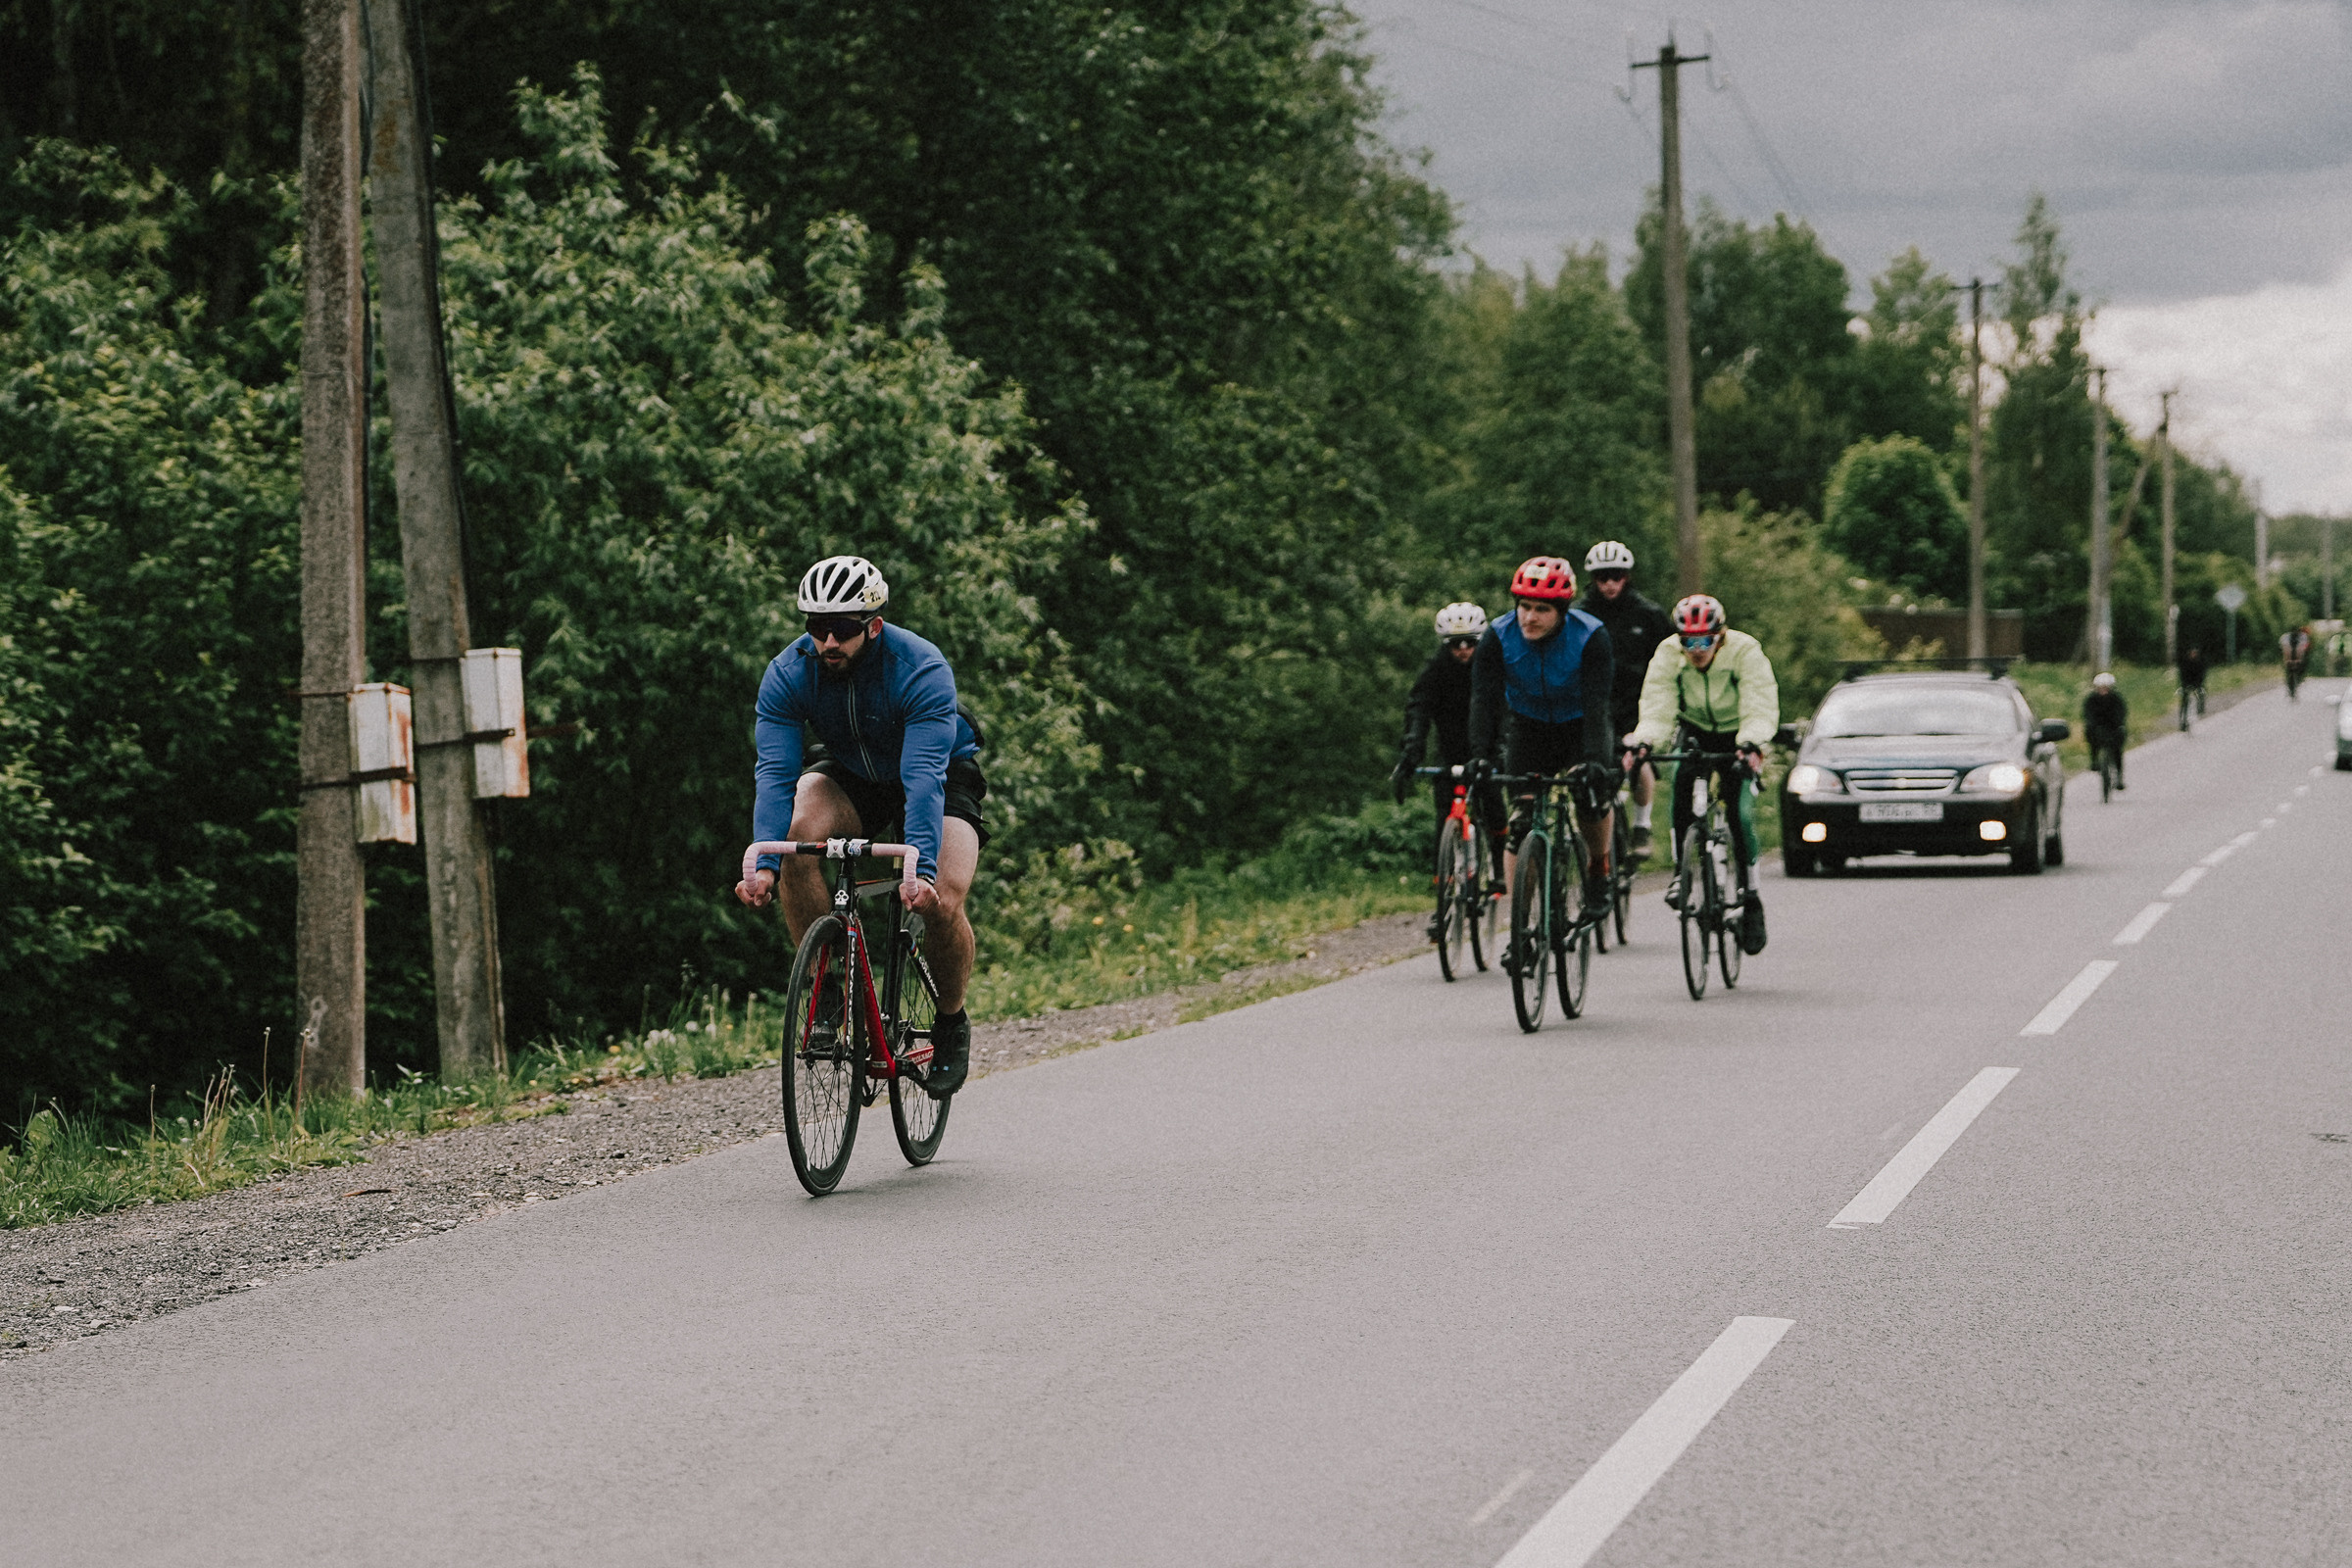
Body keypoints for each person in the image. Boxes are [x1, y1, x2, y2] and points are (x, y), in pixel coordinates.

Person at [735, 556, 986, 1097]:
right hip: (856, 773)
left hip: (938, 773)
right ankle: (828, 986)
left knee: (943, 897)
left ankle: (951, 1020)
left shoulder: (919, 667)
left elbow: (922, 779)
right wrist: (765, 864)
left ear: (873, 626)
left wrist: (919, 870)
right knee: (798, 836)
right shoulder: (788, 673)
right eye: (817, 627)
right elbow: (775, 774)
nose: (829, 642)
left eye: (844, 629)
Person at [1465, 557, 1619, 974]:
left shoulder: (1590, 636)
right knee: (1520, 826)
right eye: (1524, 606)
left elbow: (1597, 705)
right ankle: (1520, 930)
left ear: (1562, 611)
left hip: (1579, 727)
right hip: (1529, 729)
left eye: (1542, 609)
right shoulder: (1497, 636)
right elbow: (1484, 700)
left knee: (1590, 797)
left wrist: (1593, 761)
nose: (1530, 618)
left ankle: (1599, 866)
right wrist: (1480, 755)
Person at [1626, 594, 1779, 956]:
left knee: (1740, 814)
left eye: (1705, 641)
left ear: (1720, 636)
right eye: (1688, 642)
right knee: (1681, 791)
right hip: (1694, 729)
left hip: (1737, 733)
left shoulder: (1744, 650)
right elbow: (1658, 703)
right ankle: (1681, 874)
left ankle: (1751, 896)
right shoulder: (1668, 653)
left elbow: (1758, 701)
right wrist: (1646, 740)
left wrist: (1751, 742)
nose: (1696, 651)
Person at [1392, 602, 1507, 942]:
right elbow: (1419, 709)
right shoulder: (1436, 670)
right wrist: (1411, 752)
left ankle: (1498, 865)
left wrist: (1501, 751)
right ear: (1446, 644)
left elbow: (1507, 709)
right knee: (1444, 818)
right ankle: (1443, 902)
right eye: (1456, 644)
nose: (1463, 649)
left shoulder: (1491, 665)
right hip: (1451, 752)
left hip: (1487, 749)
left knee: (1493, 804)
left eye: (1470, 642)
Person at [1575, 540, 1674, 859]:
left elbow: (1671, 658)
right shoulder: (1579, 615)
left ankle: (1642, 826)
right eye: (1602, 577)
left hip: (1638, 703)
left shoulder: (1648, 615)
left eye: (1615, 576)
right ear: (1593, 579)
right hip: (1595, 702)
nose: (1609, 584)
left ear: (1626, 577)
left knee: (1638, 758)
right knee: (1599, 768)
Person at [2082, 671, 2128, 793]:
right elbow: (2088, 714)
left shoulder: (2116, 699)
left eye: (2106, 688)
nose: (2103, 691)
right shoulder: (2091, 699)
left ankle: (2119, 776)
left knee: (2117, 749)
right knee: (2090, 735)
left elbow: (2121, 713)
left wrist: (2118, 723)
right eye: (2101, 688)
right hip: (2098, 727)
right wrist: (2091, 724)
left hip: (2113, 727)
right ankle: (2094, 760)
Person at [2176, 644, 2206, 730]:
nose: (2193, 655)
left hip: (2197, 682)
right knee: (2184, 700)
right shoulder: (2185, 662)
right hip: (2186, 682)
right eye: (2192, 653)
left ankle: (2200, 707)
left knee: (2201, 692)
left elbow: (2201, 675)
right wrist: (2184, 685)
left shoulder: (2200, 662)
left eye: (2195, 653)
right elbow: (2182, 675)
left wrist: (2198, 685)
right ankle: (2183, 721)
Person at [2281, 623, 2313, 700]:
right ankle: (2290, 685)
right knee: (2288, 669)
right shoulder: (2285, 637)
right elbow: (2286, 649)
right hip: (2289, 652)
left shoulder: (2303, 636)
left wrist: (2299, 660)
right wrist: (2287, 660)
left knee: (2303, 665)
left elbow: (2301, 649)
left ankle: (2300, 678)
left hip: (2300, 652)